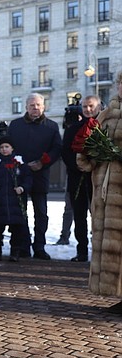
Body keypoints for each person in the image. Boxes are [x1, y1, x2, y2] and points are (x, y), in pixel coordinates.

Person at [77, 72, 122, 314]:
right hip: (105, 192)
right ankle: (117, 293)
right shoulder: (105, 114)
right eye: (121, 83)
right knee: (110, 243)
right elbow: (87, 148)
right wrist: (92, 154)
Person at [7, 93, 62, 260]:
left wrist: (43, 163)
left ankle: (39, 246)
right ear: (26, 107)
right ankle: (22, 246)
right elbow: (8, 147)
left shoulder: (51, 126)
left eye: (38, 105)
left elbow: (56, 149)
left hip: (40, 174)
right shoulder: (15, 125)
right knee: (20, 212)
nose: (35, 108)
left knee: (41, 213)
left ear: (44, 107)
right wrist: (16, 163)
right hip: (19, 176)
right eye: (32, 105)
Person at [62, 95, 101, 262]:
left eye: (91, 106)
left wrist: (94, 163)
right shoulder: (73, 129)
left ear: (99, 106)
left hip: (98, 179)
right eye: (85, 107)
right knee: (79, 216)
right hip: (77, 178)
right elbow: (65, 152)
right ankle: (82, 251)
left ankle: (99, 252)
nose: (88, 110)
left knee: (99, 217)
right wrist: (79, 165)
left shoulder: (104, 126)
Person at [0, 136, 32, 262]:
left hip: (16, 201)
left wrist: (22, 188)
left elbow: (28, 178)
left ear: (12, 148)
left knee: (17, 228)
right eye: (1, 147)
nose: (4, 149)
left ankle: (15, 252)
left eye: (7, 147)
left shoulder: (19, 162)